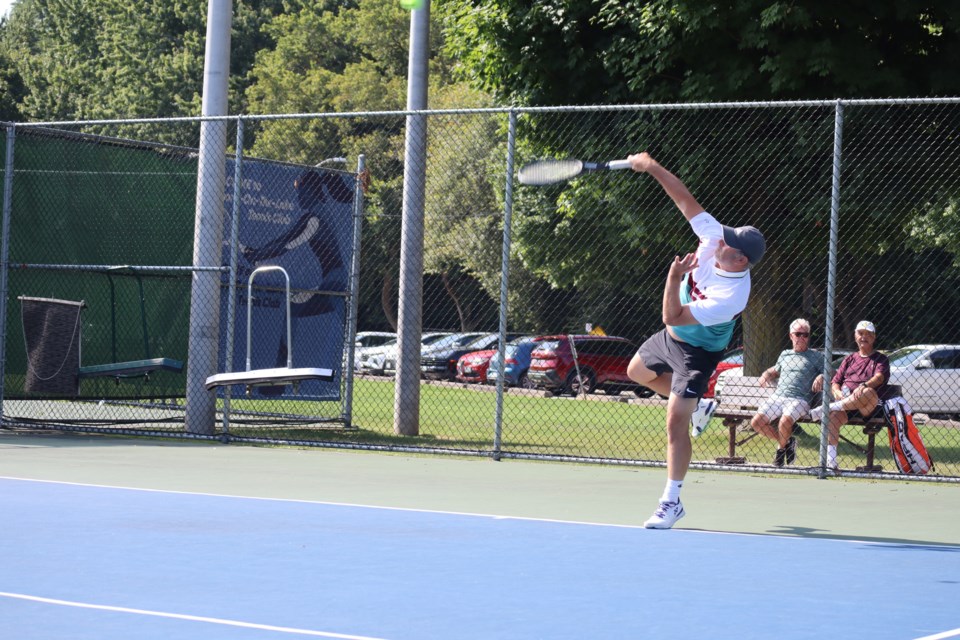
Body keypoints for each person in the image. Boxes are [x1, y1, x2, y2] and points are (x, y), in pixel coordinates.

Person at [625, 152, 766, 529]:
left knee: (674, 423)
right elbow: (683, 199)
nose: (722, 238)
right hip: (672, 337)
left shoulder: (732, 296)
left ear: (740, 261)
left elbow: (671, 315)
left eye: (730, 242)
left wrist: (674, 279)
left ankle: (671, 502)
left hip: (698, 352)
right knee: (636, 371)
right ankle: (700, 404)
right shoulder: (715, 239)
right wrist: (651, 166)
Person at [809, 320, 892, 470]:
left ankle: (829, 407)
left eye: (868, 334)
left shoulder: (881, 359)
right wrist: (837, 391)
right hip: (846, 403)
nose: (863, 337)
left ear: (874, 337)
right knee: (833, 418)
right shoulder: (849, 359)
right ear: (855, 336)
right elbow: (836, 382)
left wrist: (865, 384)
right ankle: (831, 463)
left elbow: (879, 377)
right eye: (860, 333)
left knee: (867, 392)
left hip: (867, 406)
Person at [750, 318, 825, 467]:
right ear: (791, 336)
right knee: (756, 423)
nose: (802, 338)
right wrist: (766, 374)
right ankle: (787, 442)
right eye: (798, 334)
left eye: (806, 334)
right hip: (778, 397)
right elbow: (775, 370)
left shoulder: (816, 356)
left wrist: (822, 376)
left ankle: (779, 452)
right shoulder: (785, 354)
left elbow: (832, 372)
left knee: (785, 420)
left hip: (800, 399)